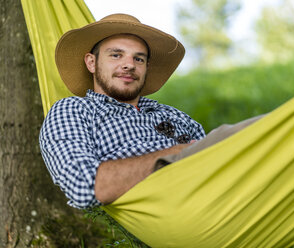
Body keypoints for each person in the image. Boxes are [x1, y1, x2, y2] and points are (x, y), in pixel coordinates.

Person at [39, 13, 261, 210]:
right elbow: (82, 186)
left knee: (261, 132)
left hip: (224, 192)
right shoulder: (73, 110)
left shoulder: (174, 115)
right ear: (91, 62)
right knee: (245, 134)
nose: (129, 65)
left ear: (146, 67)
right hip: (174, 206)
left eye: (138, 58)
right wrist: (177, 154)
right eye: (116, 55)